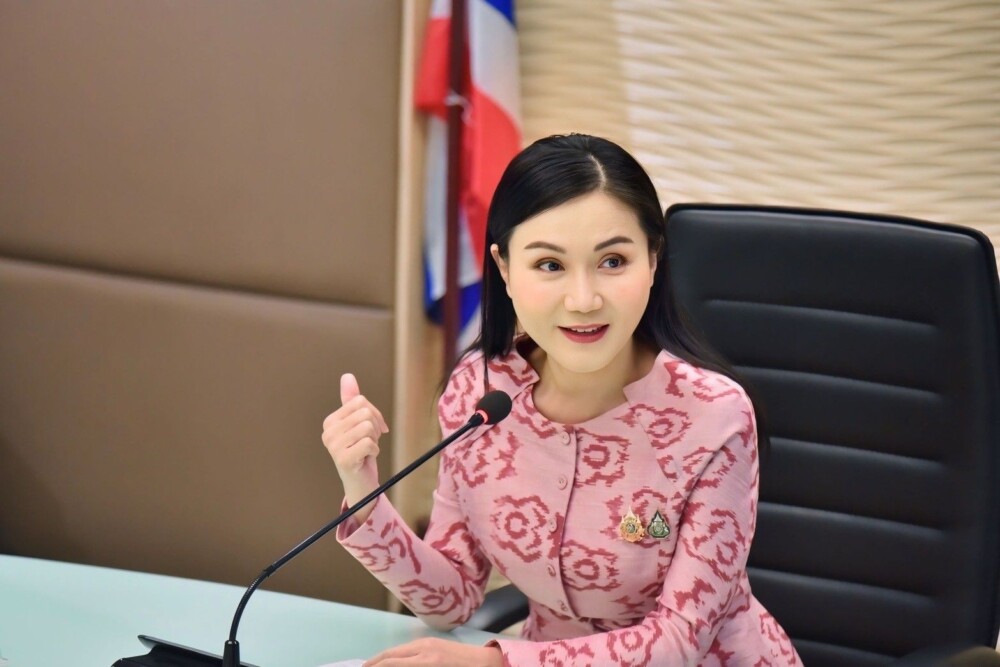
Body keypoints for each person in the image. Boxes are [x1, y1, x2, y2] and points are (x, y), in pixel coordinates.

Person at [322, 134, 801, 666]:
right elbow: (451, 600)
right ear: (505, 269)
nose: (583, 299)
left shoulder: (714, 416)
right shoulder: (480, 392)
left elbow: (680, 642)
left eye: (613, 261)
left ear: (654, 260)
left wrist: (497, 663)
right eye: (550, 265)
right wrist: (365, 497)